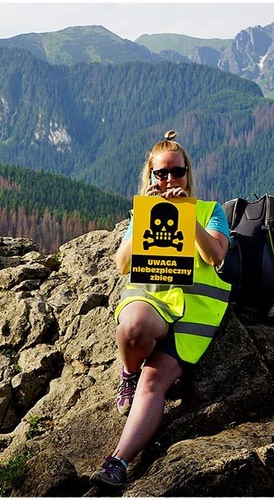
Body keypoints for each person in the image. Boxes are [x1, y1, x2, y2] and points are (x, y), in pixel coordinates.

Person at [90, 130, 232, 488]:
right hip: (151, 298)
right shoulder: (142, 213)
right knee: (133, 329)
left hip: (193, 311)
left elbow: (215, 256)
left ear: (188, 173)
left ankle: (118, 462)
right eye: (162, 174)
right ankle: (128, 371)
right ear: (150, 177)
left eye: (177, 172)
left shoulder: (209, 211)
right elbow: (122, 264)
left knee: (153, 383)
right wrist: (144, 217)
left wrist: (186, 214)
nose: (170, 180)